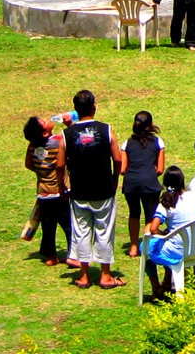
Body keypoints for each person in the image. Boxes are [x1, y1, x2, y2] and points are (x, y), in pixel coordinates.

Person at [61, 89, 124, 288]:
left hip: (79, 191)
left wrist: (63, 185)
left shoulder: (66, 134)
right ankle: (105, 275)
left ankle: (84, 275)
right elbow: (117, 158)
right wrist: (114, 180)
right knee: (104, 231)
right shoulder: (106, 130)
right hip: (103, 190)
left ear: (76, 110)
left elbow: (59, 164)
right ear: (94, 107)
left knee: (81, 232)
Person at [141, 166, 195, 298]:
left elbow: (153, 228)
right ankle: (167, 282)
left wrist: (164, 234)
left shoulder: (166, 203)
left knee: (146, 247)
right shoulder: (192, 197)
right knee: (167, 244)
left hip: (179, 250)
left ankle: (156, 287)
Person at [22, 116, 69, 265]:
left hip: (43, 193)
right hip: (58, 191)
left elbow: (28, 164)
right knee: (68, 224)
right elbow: (71, 141)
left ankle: (51, 256)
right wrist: (69, 124)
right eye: (44, 121)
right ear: (44, 133)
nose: (47, 119)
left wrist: (41, 172)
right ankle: (74, 254)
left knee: (48, 227)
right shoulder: (57, 141)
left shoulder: (32, 146)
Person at [120, 110, 165, 259]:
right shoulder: (158, 142)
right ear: (151, 125)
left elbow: (122, 169)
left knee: (134, 213)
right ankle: (147, 247)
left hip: (131, 183)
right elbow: (160, 169)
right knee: (150, 215)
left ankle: (133, 247)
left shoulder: (127, 143)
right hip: (150, 182)